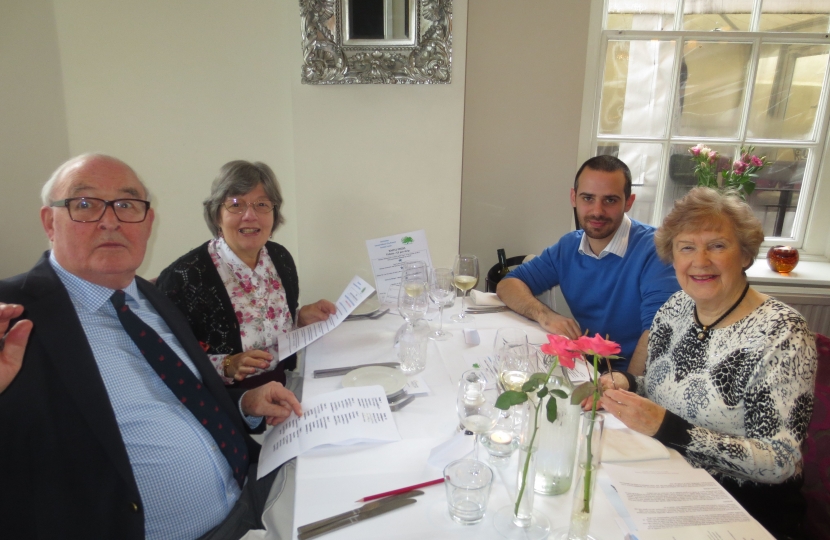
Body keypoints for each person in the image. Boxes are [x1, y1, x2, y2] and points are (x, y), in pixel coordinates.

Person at [0, 154, 302, 540]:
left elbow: (189, 393)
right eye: (86, 204)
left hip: (252, 495)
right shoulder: (15, 315)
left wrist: (246, 405)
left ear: (147, 223)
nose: (110, 221)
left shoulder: (148, 294)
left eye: (127, 205)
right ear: (49, 223)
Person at [597, 187, 817, 540]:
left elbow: (781, 460)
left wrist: (668, 428)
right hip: (662, 479)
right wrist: (626, 383)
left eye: (716, 245)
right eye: (686, 247)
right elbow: (657, 386)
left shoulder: (782, 334)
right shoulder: (674, 309)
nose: (699, 261)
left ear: (744, 254)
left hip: (741, 506)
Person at [156, 160, 335, 389]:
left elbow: (272, 329)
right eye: (235, 204)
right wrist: (227, 365)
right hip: (226, 405)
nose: (250, 216)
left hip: (284, 387)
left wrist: (299, 319)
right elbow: (167, 362)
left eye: (262, 204)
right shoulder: (183, 278)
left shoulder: (280, 259)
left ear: (274, 213)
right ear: (216, 215)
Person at [497, 155, 679, 372]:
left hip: (637, 380)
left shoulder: (656, 249)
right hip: (587, 370)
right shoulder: (568, 246)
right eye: (588, 198)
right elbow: (508, 284)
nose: (597, 211)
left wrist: (624, 388)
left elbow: (656, 334)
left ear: (628, 202)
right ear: (574, 198)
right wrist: (544, 314)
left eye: (610, 200)